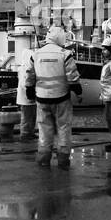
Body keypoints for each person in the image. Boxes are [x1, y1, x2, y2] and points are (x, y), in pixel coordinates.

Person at [25, 25, 82, 167]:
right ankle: (63, 160)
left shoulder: (36, 54)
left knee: (44, 130)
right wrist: (78, 91)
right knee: (63, 128)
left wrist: (29, 90)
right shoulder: (65, 54)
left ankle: (44, 159)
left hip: (42, 99)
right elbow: (72, 76)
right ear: (60, 37)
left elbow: (30, 75)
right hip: (61, 98)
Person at [16, 46, 37, 142]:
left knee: (30, 116)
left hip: (24, 96)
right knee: (27, 117)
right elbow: (26, 83)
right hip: (27, 97)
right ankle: (25, 134)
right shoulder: (26, 69)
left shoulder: (21, 68)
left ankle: (29, 133)